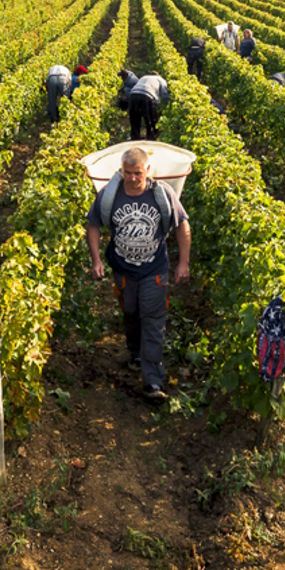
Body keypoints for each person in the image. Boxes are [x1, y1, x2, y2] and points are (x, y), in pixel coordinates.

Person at [87, 147, 191, 401]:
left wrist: (183, 263)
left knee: (153, 320)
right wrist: (97, 259)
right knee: (131, 313)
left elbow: (182, 224)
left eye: (137, 173)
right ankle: (135, 351)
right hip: (122, 270)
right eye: (127, 173)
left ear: (147, 170)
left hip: (154, 271)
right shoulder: (110, 196)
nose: (132, 178)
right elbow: (93, 225)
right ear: (121, 172)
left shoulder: (161, 194)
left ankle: (153, 382)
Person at [127, 73, 169, 140]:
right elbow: (164, 95)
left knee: (135, 120)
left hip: (133, 95)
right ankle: (151, 137)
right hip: (147, 96)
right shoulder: (161, 80)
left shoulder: (144, 76)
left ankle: (135, 138)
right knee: (150, 120)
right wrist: (165, 108)